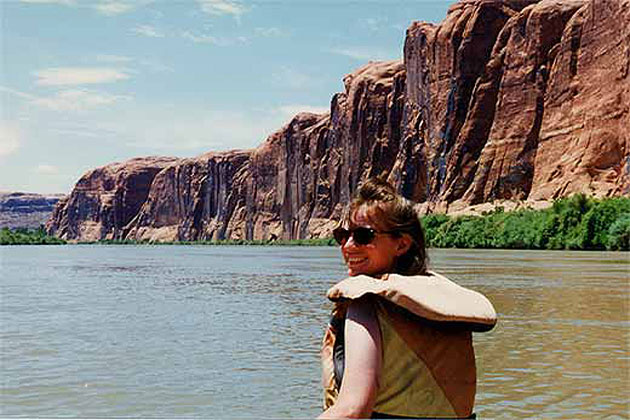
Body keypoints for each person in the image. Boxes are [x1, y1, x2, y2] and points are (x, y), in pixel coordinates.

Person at [319, 178, 497, 419]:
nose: (348, 246)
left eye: (363, 236)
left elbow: (352, 410)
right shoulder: (437, 303)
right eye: (343, 235)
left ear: (402, 244)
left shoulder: (365, 304)